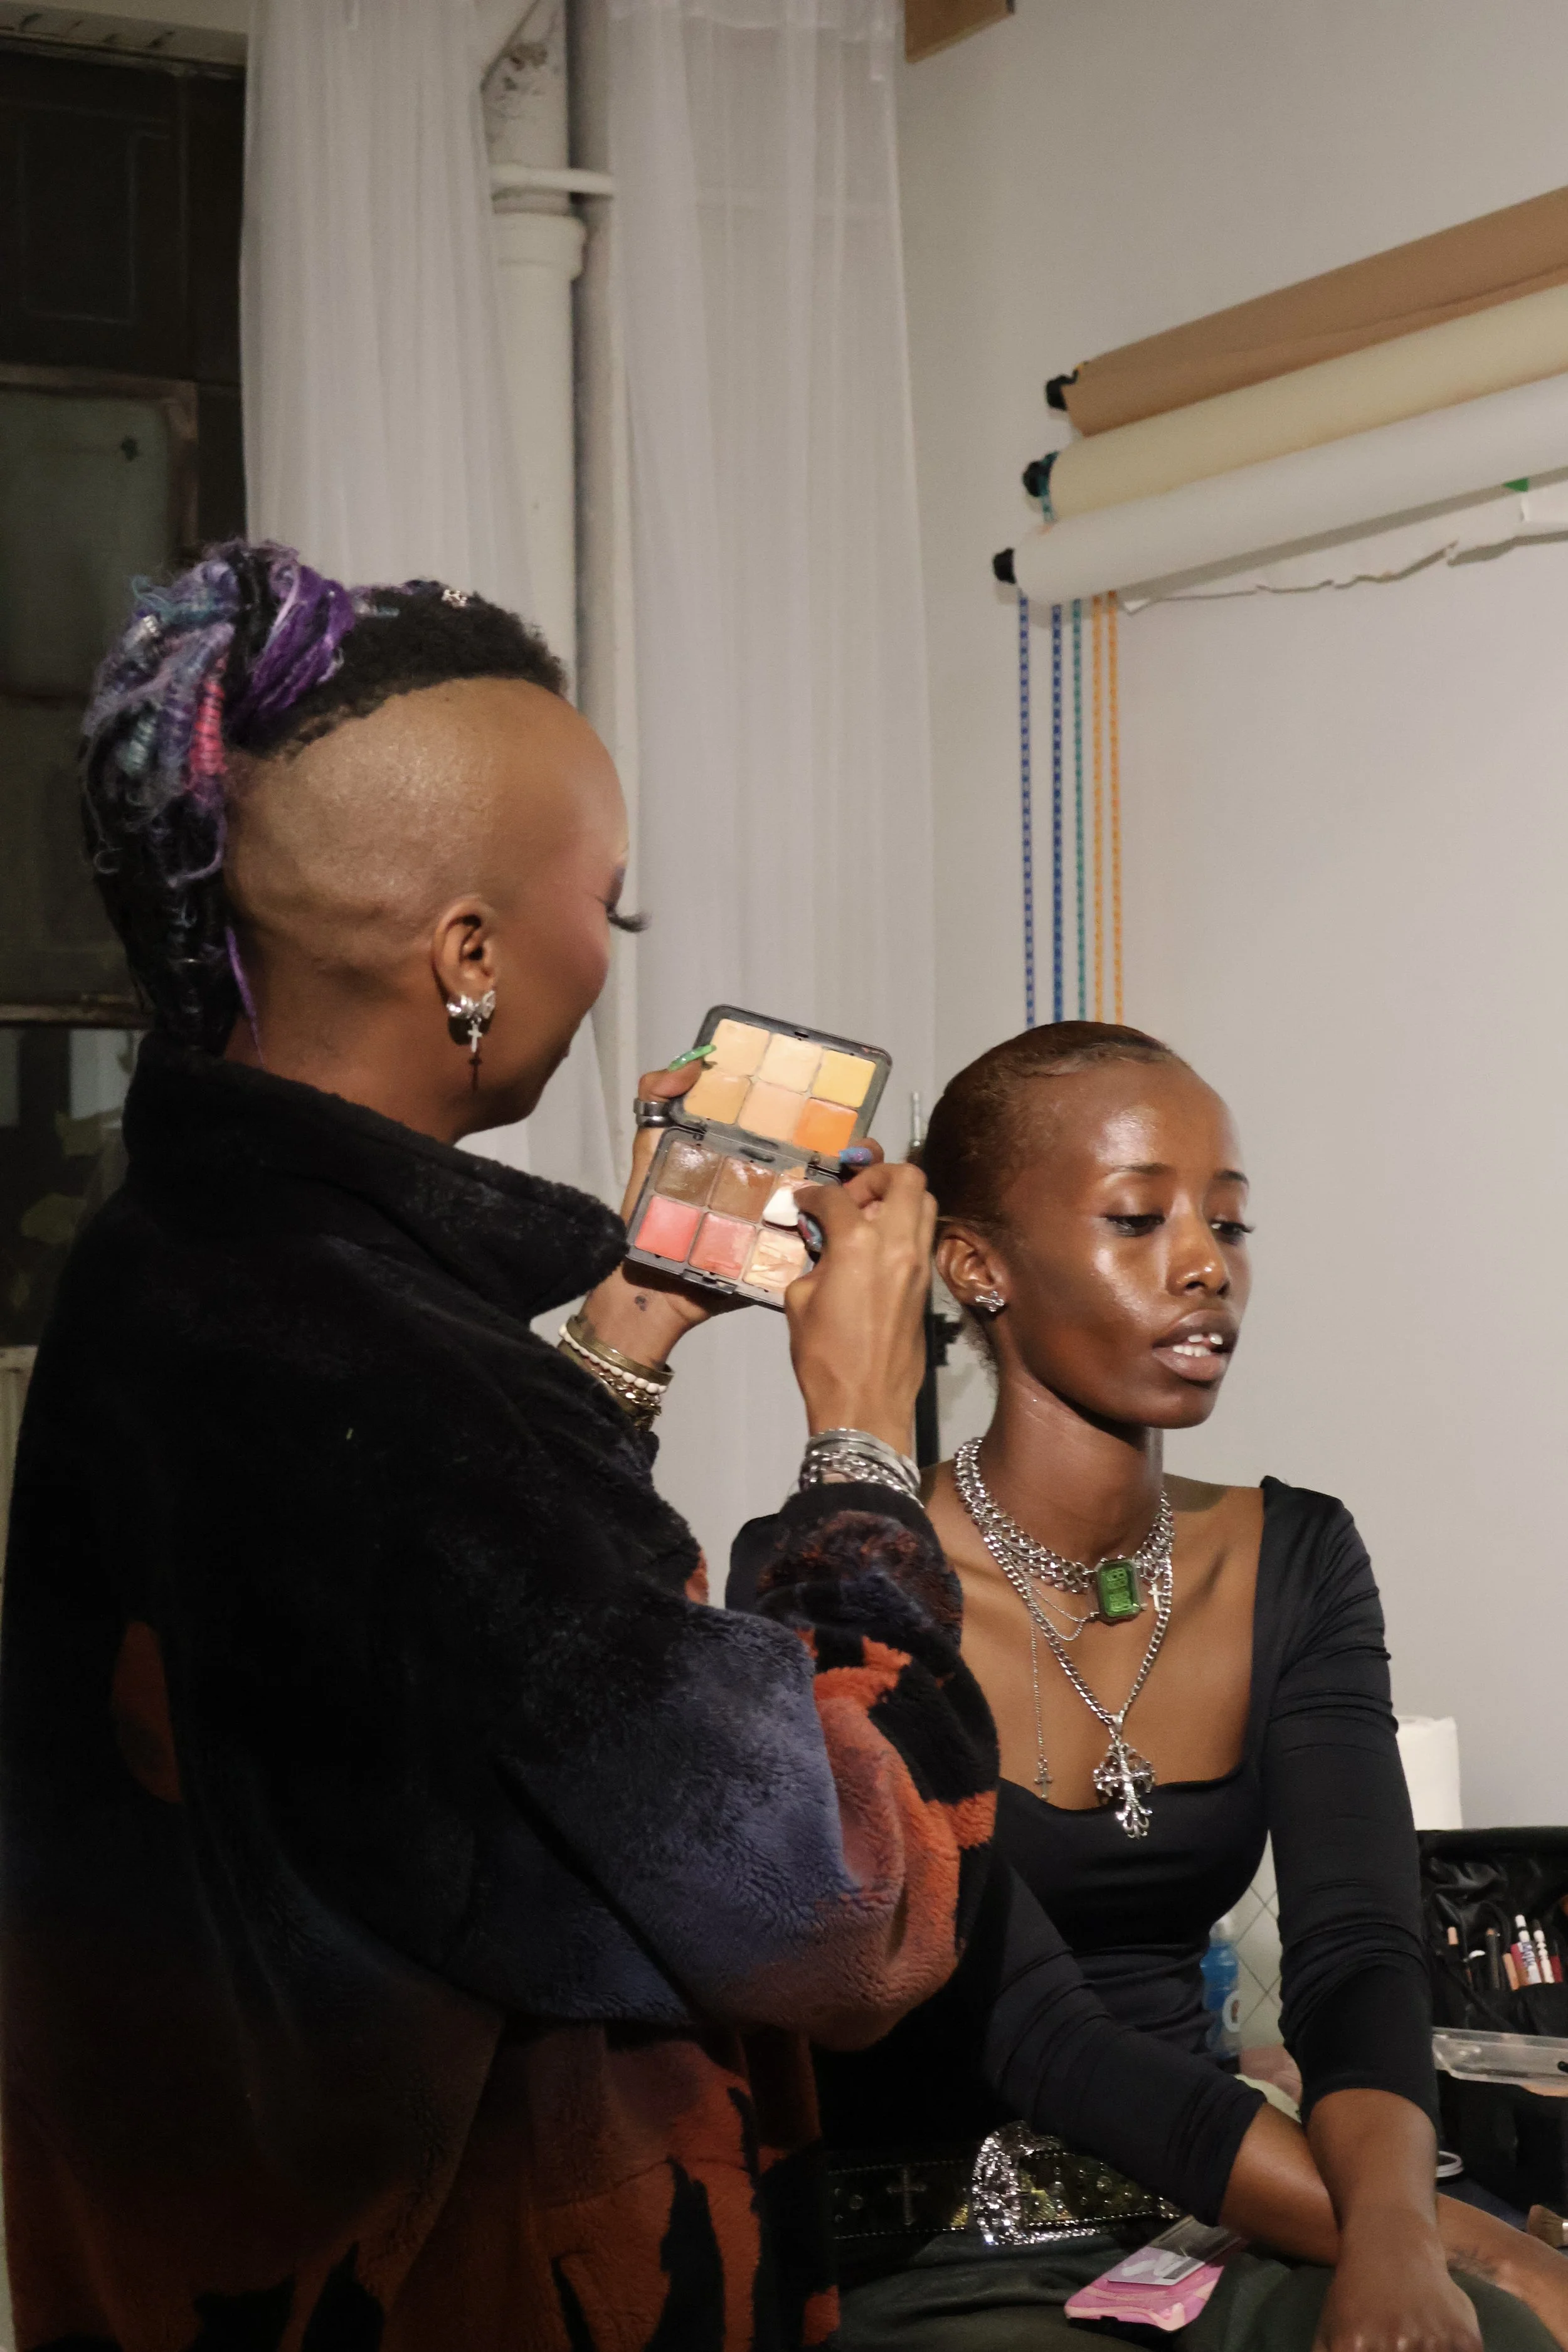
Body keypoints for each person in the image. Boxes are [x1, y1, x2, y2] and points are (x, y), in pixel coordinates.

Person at [0, 543, 998, 2352]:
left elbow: (437, 1687)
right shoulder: (413, 1392)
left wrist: (620, 1332)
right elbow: (839, 1910)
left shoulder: (161, 1270)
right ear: (466, 953)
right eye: (599, 912)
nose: (600, 959)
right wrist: (859, 1443)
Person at [731, 1021, 1568, 2352]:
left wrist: (1408, 2252)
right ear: (976, 1266)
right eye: (1137, 1220)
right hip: (933, 2251)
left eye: (1226, 1228)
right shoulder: (838, 1577)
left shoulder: (1289, 1553)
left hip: (1206, 2229)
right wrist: (1454, 2239)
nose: (1202, 1269)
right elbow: (1040, 2038)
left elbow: (1356, 1957)